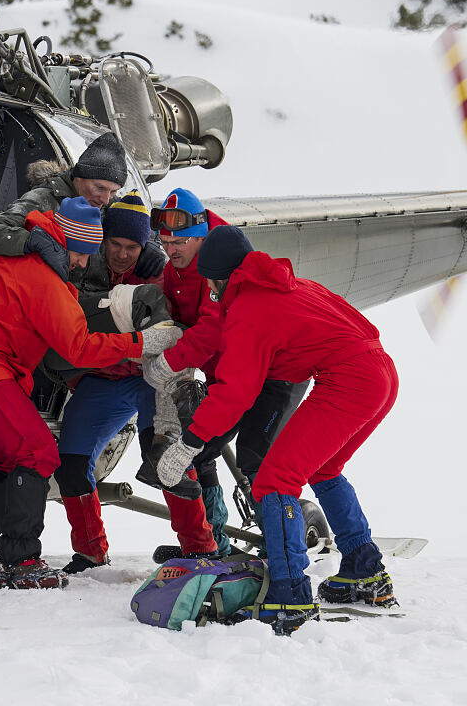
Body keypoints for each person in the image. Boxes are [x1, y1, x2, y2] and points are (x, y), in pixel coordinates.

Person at [150, 225, 399, 634]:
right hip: (381, 371)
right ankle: (364, 569)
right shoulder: (286, 286)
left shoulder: (249, 311)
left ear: (220, 277)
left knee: (275, 480)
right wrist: (176, 359)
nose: (209, 289)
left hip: (349, 381)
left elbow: (235, 393)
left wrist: (189, 443)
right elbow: (222, 332)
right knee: (323, 469)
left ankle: (290, 596)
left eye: (210, 281)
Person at [0, 197, 182, 589]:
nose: (83, 263)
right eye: (81, 253)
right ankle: (21, 562)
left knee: (10, 459)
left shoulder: (15, 257)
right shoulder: (41, 275)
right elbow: (78, 347)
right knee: (38, 454)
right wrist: (140, 342)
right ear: (68, 243)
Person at [138, 188, 307, 560]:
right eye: (165, 242)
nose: (171, 249)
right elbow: (171, 317)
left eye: (179, 242)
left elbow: (212, 329)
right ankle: (215, 548)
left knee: (255, 459)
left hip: (273, 377)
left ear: (200, 235)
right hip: (230, 376)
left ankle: (285, 553)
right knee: (198, 453)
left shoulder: (220, 268)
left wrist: (170, 361)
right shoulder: (175, 269)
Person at [53, 192, 166, 574]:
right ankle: (90, 553)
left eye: (132, 247)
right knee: (70, 464)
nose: (122, 254)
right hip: (105, 377)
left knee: (165, 456)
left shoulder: (157, 270)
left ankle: (202, 546)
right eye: (115, 244)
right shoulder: (83, 260)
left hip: (150, 377)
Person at [0, 133, 167, 280]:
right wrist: (33, 241)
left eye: (113, 192)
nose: (106, 199)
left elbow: (138, 225)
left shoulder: (106, 205)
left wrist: (149, 244)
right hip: (54, 301)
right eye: (99, 188)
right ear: (78, 178)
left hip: (92, 300)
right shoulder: (43, 200)